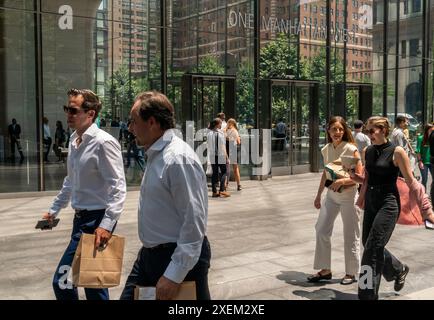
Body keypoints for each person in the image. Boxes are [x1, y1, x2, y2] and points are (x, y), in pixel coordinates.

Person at [120, 91, 211, 300]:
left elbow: (194, 220)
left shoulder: (178, 158)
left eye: (133, 121)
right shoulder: (155, 153)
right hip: (149, 257)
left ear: (152, 122)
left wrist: (174, 275)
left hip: (176, 258)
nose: (130, 128)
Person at [42, 88, 126, 300]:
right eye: (66, 109)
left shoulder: (103, 142)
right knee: (93, 284)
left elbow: (118, 187)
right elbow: (70, 181)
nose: (68, 114)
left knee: (62, 281)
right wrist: (53, 210)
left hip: (96, 220)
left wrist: (106, 225)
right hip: (80, 219)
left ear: (91, 114)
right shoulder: (74, 139)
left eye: (73, 110)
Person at [350, 116, 434, 300]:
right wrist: (355, 178)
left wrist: (427, 210)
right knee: (368, 243)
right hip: (371, 201)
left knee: (372, 248)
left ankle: (367, 295)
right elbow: (368, 179)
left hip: (388, 203)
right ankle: (398, 269)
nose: (369, 134)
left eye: (372, 130)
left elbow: (413, 183)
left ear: (384, 130)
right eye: (367, 130)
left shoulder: (396, 152)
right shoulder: (368, 151)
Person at [308, 116, 362, 285]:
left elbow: (360, 177)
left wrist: (343, 181)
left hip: (349, 196)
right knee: (321, 229)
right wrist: (318, 195)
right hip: (331, 196)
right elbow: (326, 173)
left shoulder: (351, 149)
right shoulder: (326, 149)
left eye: (340, 129)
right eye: (334, 129)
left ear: (344, 130)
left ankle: (351, 273)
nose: (337, 132)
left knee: (351, 234)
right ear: (328, 131)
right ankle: (325, 270)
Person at [208, 118, 230, 198]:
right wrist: (227, 157)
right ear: (217, 124)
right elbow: (222, 146)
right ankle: (222, 190)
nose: (221, 125)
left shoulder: (209, 133)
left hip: (212, 155)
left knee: (215, 173)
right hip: (220, 155)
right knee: (224, 172)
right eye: (220, 124)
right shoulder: (220, 133)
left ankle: (214, 192)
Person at [225, 118, 242, 191]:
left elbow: (238, 141)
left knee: (227, 168)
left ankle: (226, 184)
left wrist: (228, 139)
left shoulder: (226, 131)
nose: (228, 124)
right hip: (232, 148)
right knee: (235, 168)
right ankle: (238, 185)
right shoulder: (235, 131)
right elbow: (238, 142)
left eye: (228, 123)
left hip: (227, 148)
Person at [416, 124, 433, 191]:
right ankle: (423, 196)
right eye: (431, 130)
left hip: (432, 162)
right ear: (427, 130)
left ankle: (431, 195)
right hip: (424, 162)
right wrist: (420, 161)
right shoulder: (421, 138)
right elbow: (418, 151)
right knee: (424, 179)